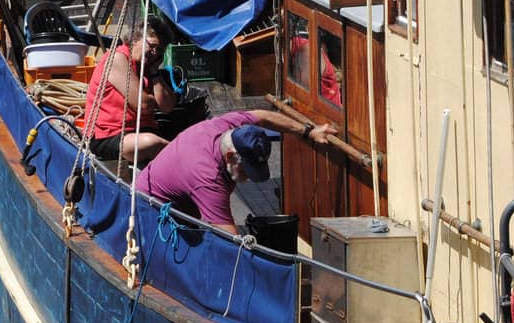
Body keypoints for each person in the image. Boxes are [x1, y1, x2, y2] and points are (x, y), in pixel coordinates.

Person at [135, 110, 334, 234]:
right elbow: (229, 238)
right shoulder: (208, 178)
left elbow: (263, 117)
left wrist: (308, 131)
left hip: (183, 200)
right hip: (150, 214)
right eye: (246, 170)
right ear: (230, 156)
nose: (247, 179)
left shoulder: (229, 125)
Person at [83, 16, 178, 164]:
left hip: (140, 132)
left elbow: (167, 106)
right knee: (151, 143)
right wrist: (151, 100)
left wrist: (154, 72)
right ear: (134, 40)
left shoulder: (146, 68)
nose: (154, 53)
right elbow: (144, 105)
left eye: (159, 50)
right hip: (109, 136)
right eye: (152, 46)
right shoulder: (117, 59)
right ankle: (184, 158)